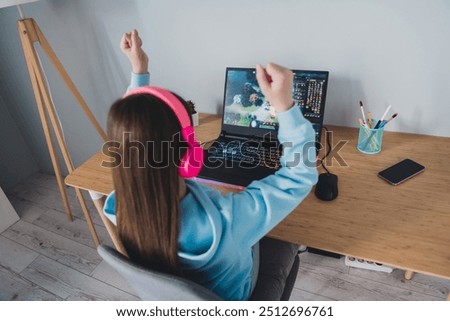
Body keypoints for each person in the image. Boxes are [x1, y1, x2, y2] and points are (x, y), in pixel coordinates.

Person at [102, 29, 318, 301]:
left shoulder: (118, 205)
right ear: (188, 156)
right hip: (240, 294)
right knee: (290, 235)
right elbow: (299, 176)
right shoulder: (226, 222)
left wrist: (139, 70)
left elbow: (135, 134)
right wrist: (284, 106)